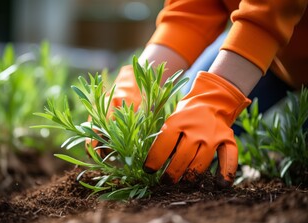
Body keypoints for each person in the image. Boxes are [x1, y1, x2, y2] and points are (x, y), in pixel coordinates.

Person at [88, 0, 308, 187]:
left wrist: (217, 98)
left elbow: (272, 9)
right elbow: (190, 13)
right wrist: (138, 82)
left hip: (269, 32)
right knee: (187, 118)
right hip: (276, 59)